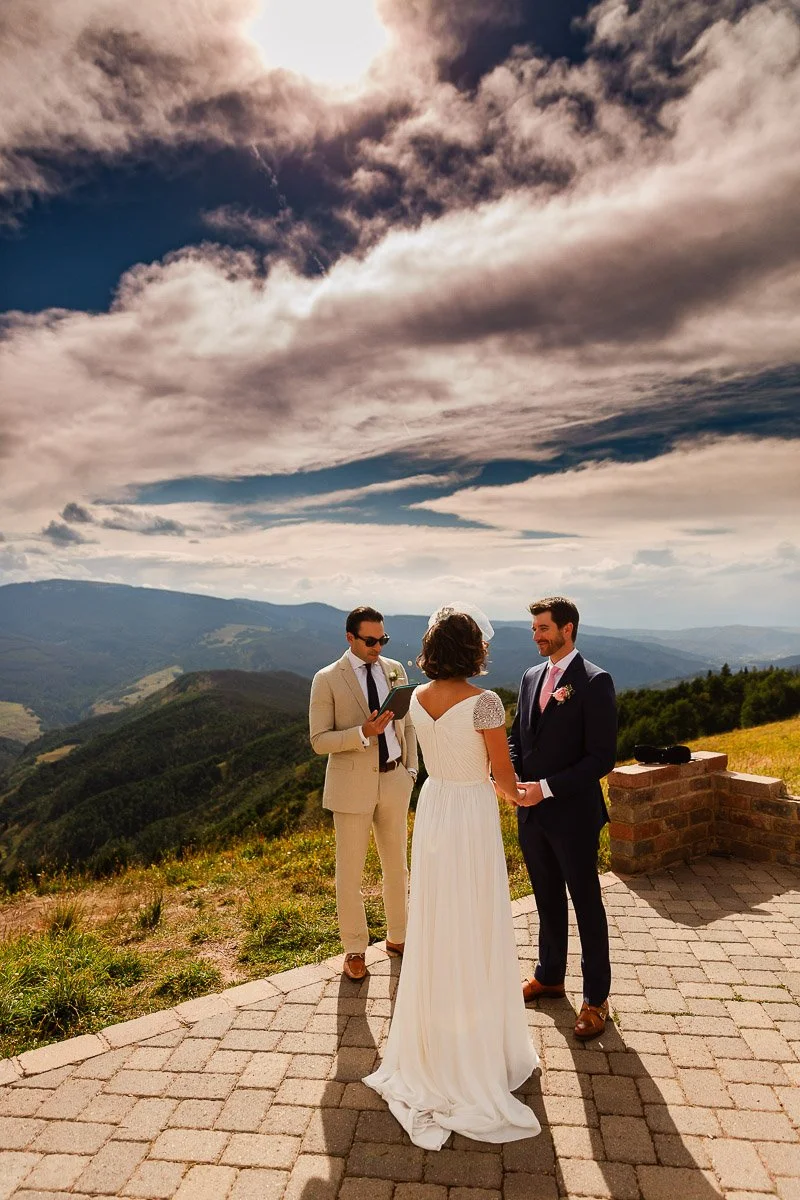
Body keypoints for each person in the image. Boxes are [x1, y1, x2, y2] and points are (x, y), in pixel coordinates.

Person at [363, 604, 540, 1150]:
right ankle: (478, 1048)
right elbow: (504, 780)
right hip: (469, 813)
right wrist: (535, 794)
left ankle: (436, 1039)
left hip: (434, 806)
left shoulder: (414, 697)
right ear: (474, 651)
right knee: (476, 917)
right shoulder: (485, 703)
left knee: (439, 918)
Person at [509, 596, 617, 1040]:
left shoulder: (594, 681)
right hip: (531, 815)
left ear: (567, 629)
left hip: (572, 814)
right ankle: (550, 975)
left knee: (586, 904)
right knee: (546, 898)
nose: (536, 635)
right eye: (534, 628)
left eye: (543, 628)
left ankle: (596, 999)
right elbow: (517, 736)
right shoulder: (530, 676)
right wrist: (514, 777)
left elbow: (601, 758)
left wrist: (546, 788)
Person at [309, 606, 418, 981]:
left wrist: (411, 769)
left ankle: (399, 937)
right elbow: (318, 741)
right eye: (370, 640)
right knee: (350, 873)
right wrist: (362, 734)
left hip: (394, 780)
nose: (377, 646)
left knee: (397, 866)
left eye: (382, 639)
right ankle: (354, 949)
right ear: (350, 638)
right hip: (351, 786)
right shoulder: (326, 679)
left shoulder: (395, 670)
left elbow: (408, 724)